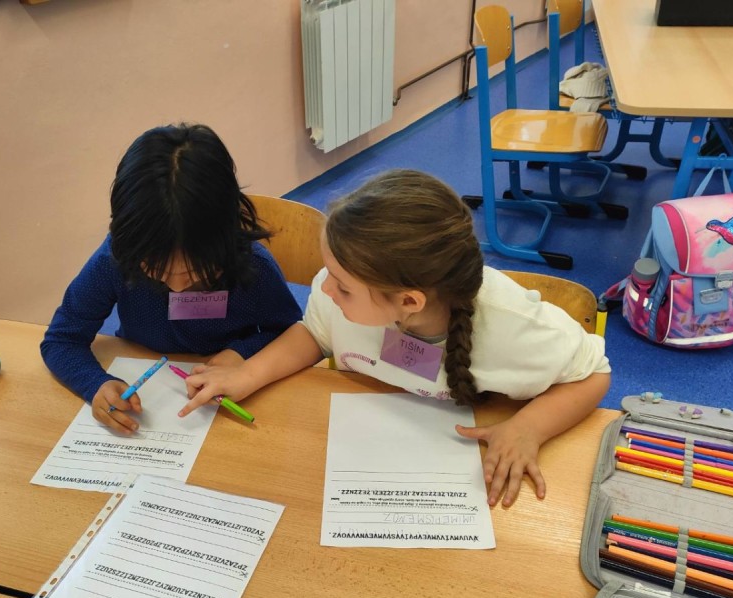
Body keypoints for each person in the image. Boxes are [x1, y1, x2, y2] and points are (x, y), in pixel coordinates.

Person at [179, 169, 611, 507]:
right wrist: (248, 374)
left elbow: (594, 374)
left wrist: (528, 429)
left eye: (343, 286)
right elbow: (314, 333)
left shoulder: (512, 326)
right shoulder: (344, 291)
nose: (324, 288)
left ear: (409, 302)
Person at [41, 123, 303, 434]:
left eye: (194, 272)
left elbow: (290, 333)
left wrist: (239, 355)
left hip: (224, 400)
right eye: (156, 270)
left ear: (226, 239)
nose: (176, 286)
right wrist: (95, 383)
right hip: (147, 379)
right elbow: (62, 338)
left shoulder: (254, 265)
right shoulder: (116, 259)